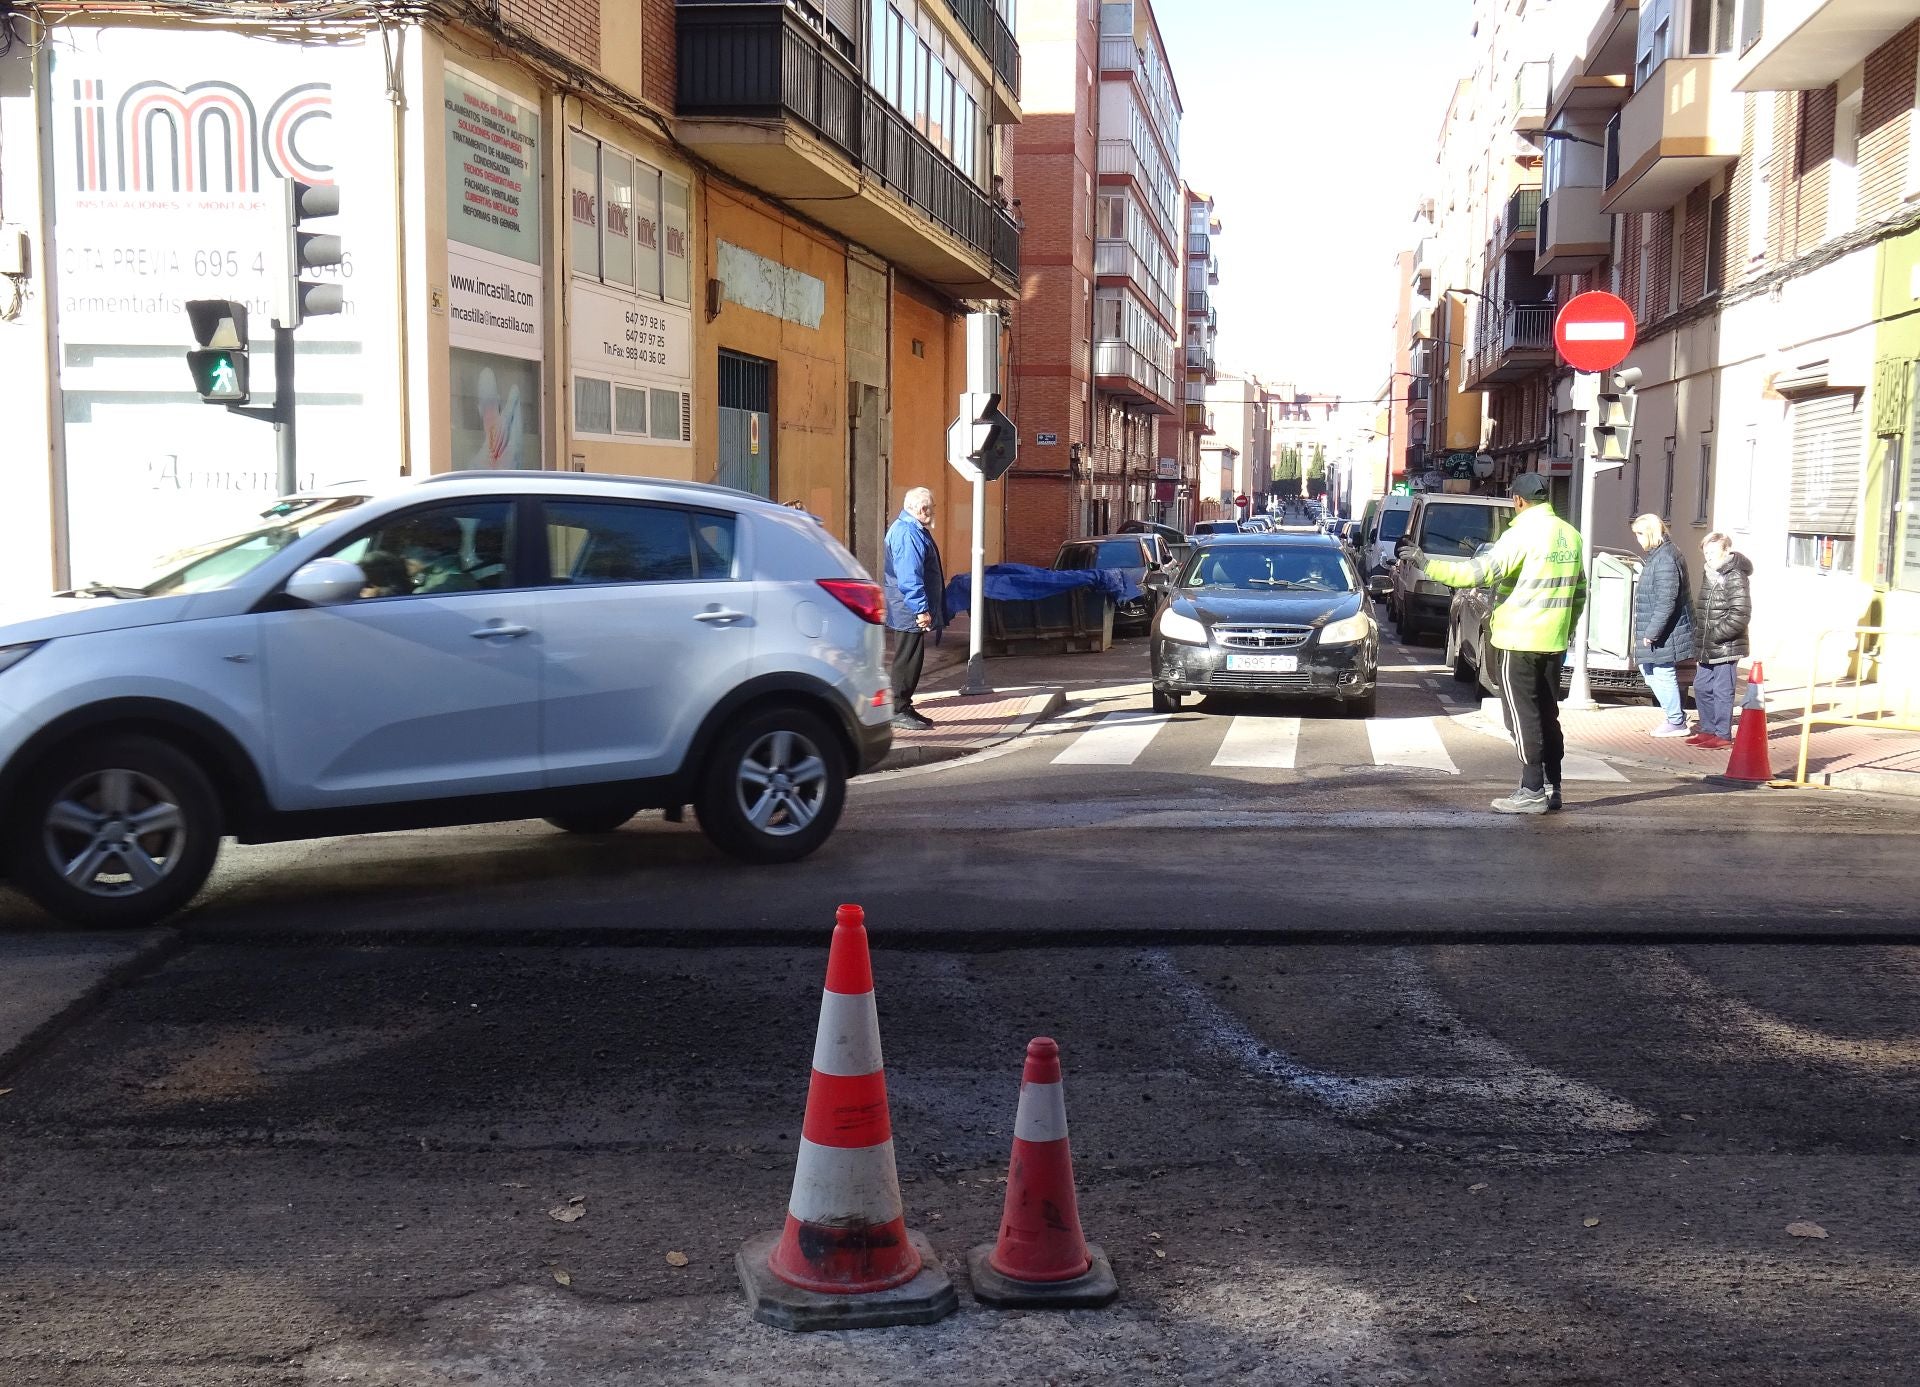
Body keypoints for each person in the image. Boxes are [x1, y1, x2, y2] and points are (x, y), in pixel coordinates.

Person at [1410, 472, 1585, 815]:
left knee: (1521, 718)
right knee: (1548, 715)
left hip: (1518, 637)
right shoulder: (1571, 536)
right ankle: (1552, 785)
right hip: (1553, 640)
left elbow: (1477, 574)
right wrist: (1565, 627)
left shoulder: (1521, 534)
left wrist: (1425, 563)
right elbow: (1580, 593)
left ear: (1518, 501)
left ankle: (1532, 788)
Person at [883, 487, 945, 731]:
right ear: (921, 509)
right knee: (908, 659)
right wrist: (921, 608)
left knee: (911, 657)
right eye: (932, 507)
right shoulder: (908, 533)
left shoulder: (911, 529)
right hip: (908, 608)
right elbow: (909, 576)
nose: (933, 511)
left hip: (908, 605)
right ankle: (897, 708)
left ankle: (903, 705)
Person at [1630, 514, 1696, 738]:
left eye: (1639, 534)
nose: (1637, 539)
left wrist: (1651, 632)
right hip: (1662, 627)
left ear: (1650, 533)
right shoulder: (1662, 555)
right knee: (1649, 669)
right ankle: (1675, 716)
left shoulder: (1665, 558)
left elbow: (1666, 600)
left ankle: (1676, 720)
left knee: (1661, 670)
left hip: (1665, 629)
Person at [1690, 531, 1751, 749]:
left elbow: (1740, 612)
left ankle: (1722, 734)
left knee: (1722, 690)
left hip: (1726, 645)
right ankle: (1708, 729)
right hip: (1709, 644)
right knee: (1701, 686)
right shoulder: (1710, 572)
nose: (1708, 556)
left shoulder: (1734, 574)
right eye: (1706, 552)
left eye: (1713, 552)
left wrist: (1716, 634)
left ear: (1726, 551)